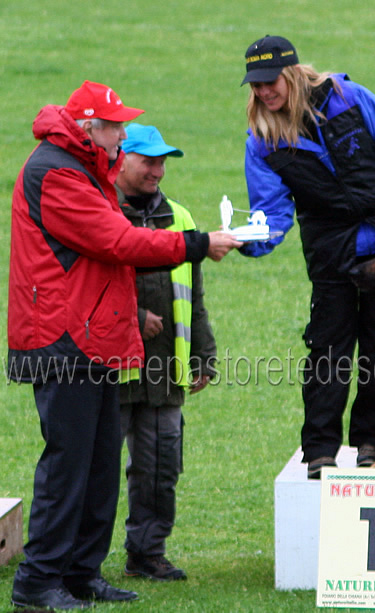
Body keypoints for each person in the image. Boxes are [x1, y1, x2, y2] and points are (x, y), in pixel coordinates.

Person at [7, 80, 241, 610]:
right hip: (62, 340)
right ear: (88, 128)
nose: (121, 134)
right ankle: (38, 582)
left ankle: (82, 573)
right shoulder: (56, 172)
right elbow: (117, 241)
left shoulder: (85, 169)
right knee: (69, 465)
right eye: (114, 126)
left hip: (90, 338)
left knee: (97, 466)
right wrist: (199, 244)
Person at [239, 36, 375, 479]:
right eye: (255, 86)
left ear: (290, 74)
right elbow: (271, 210)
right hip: (332, 253)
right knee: (327, 352)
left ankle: (370, 442)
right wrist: (253, 240)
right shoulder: (263, 139)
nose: (263, 93)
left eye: (270, 83)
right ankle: (320, 451)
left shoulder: (349, 98)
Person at [115, 123, 217, 582]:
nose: (158, 169)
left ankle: (147, 552)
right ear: (122, 159)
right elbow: (88, 285)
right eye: (148, 160)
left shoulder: (179, 216)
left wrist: (203, 354)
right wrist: (135, 317)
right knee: (95, 469)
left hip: (164, 368)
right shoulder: (100, 211)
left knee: (160, 466)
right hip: (110, 368)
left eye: (162, 161)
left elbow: (192, 296)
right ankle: (77, 558)